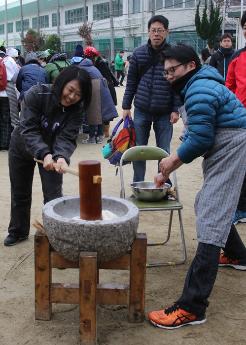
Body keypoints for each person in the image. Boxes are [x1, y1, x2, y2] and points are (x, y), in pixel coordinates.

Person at [148, 44, 246, 330]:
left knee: (211, 215)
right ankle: (238, 255)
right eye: (165, 72)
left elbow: (202, 138)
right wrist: (173, 160)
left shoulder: (199, 88)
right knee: (208, 203)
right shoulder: (198, 84)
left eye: (172, 70)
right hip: (228, 145)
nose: (168, 76)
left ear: (190, 66)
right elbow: (197, 131)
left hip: (233, 146)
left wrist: (169, 164)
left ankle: (192, 306)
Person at [4, 65, 92, 246]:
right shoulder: (36, 94)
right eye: (71, 90)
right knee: (20, 193)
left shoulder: (77, 108)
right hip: (21, 147)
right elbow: (29, 129)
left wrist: (60, 157)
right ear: (61, 83)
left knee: (53, 195)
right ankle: (18, 231)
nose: (72, 97)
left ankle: (55, 237)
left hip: (52, 152)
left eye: (78, 94)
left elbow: (67, 136)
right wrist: (44, 153)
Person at [122, 15, 181, 182]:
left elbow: (178, 84)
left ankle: (164, 183)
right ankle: (138, 183)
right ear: (148, 32)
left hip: (164, 112)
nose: (156, 34)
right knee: (139, 150)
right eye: (153, 30)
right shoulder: (139, 54)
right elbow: (131, 82)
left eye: (160, 30)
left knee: (163, 151)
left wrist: (176, 109)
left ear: (167, 32)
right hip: (141, 109)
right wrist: (126, 106)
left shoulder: (173, 54)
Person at [226, 11, 246, 224]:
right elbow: (229, 86)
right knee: (242, 165)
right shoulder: (238, 56)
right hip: (242, 119)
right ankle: (241, 208)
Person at [71, 54, 118, 144]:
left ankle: (92, 138)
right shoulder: (93, 67)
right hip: (102, 88)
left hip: (94, 87)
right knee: (99, 113)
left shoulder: (82, 68)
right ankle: (99, 136)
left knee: (92, 113)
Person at [84, 46, 118, 138]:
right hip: (105, 87)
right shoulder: (98, 63)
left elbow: (106, 77)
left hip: (106, 88)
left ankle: (105, 132)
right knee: (103, 111)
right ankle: (103, 132)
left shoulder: (100, 64)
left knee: (105, 112)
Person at [0, 45, 20, 150]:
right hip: (8, 91)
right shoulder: (11, 62)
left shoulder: (2, 60)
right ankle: (6, 143)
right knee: (8, 118)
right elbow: (16, 76)